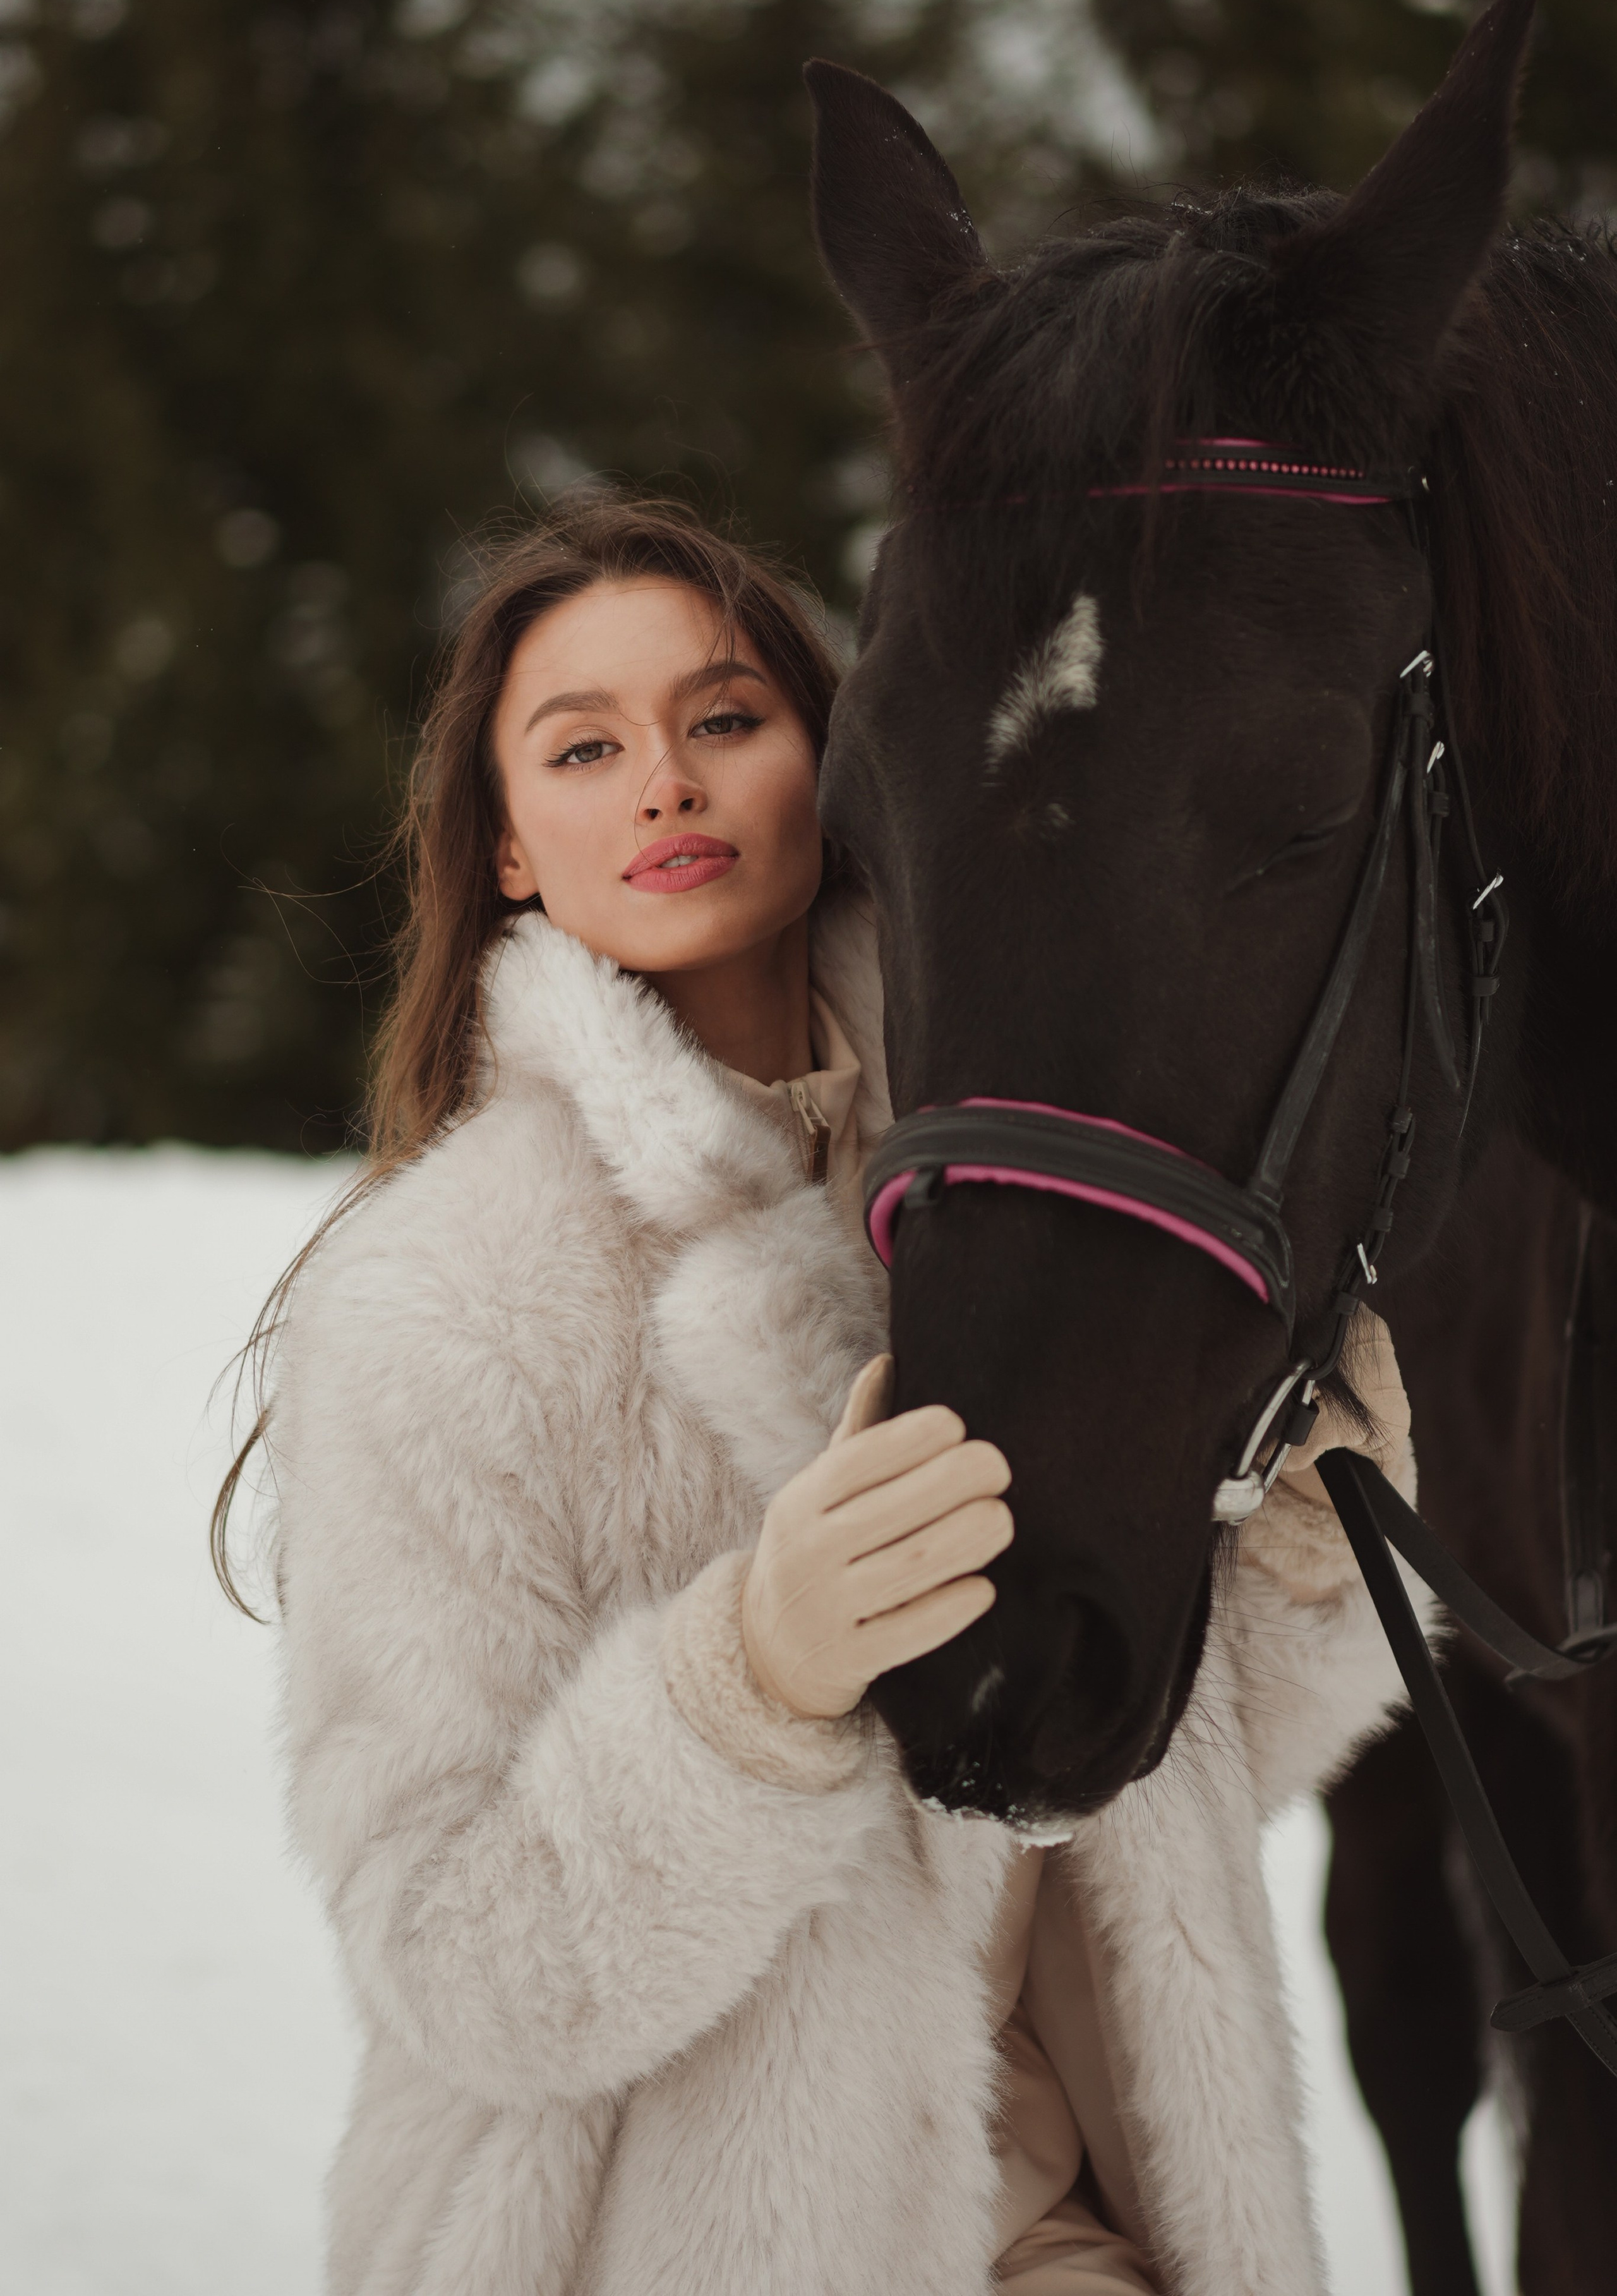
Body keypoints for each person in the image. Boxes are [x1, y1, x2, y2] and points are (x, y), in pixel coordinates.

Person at [226, 495, 1421, 2296]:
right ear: (513, 852)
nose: (665, 784)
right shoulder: (443, 1301)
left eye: (724, 719)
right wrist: (748, 1690)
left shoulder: (1019, 1208)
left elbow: (1126, 1769)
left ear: (838, 763)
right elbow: (456, 1966)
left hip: (1072, 2221)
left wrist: (1307, 1559)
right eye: (584, 747)